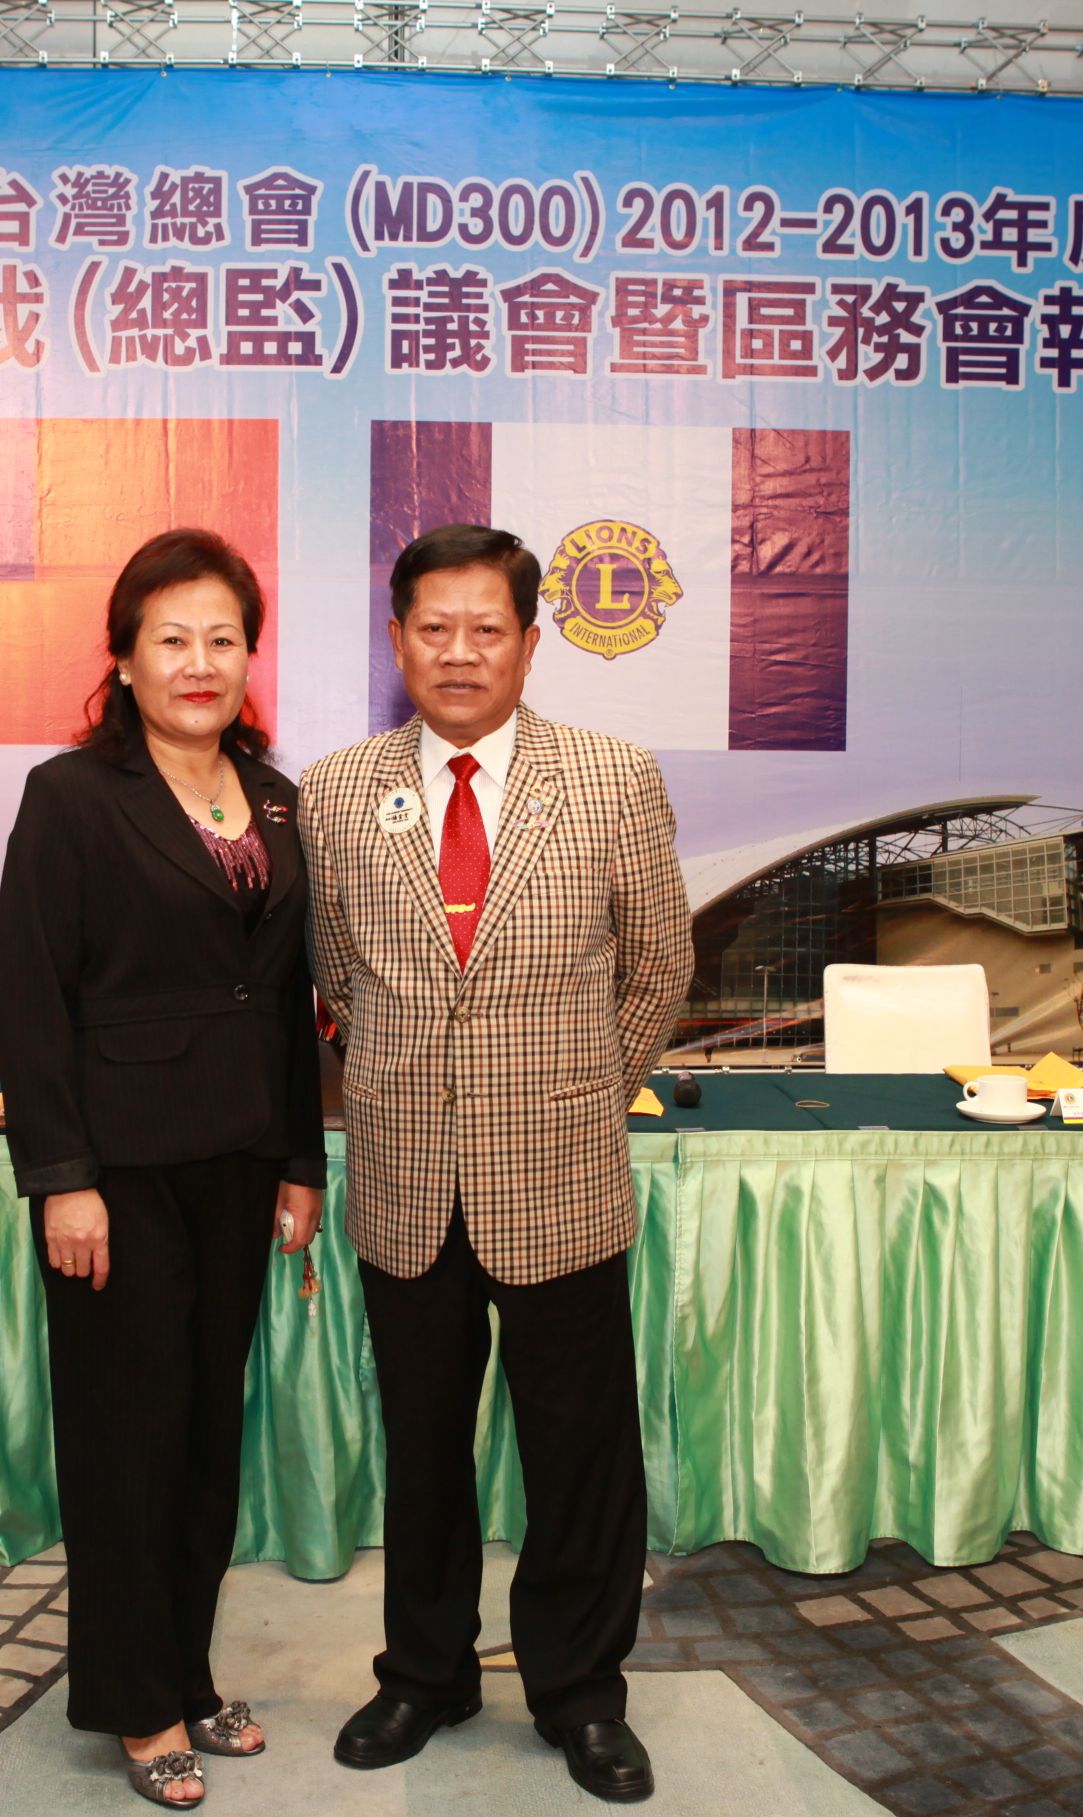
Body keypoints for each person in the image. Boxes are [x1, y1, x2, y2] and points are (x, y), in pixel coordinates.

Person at [299, 523, 691, 1804]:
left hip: (563, 1172)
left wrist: (579, 1093)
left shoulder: (612, 777)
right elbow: (336, 970)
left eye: (486, 628)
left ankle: (581, 1691)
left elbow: (661, 964)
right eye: (433, 627)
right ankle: (426, 1671)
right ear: (397, 638)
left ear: (529, 640)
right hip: (405, 1175)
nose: (458, 651)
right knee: (422, 1446)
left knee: (581, 1450)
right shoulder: (339, 791)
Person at [0, 528, 328, 1809]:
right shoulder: (73, 796)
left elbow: (284, 997)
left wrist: (299, 1157)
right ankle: (134, 1700)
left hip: (239, 1159)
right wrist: (62, 1176)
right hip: (118, 1174)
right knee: (125, 1442)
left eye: (223, 639)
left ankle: (185, 1669)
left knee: (201, 1438)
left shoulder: (278, 799)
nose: (200, 662)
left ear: (250, 657)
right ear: (125, 659)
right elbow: (35, 995)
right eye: (172, 638)